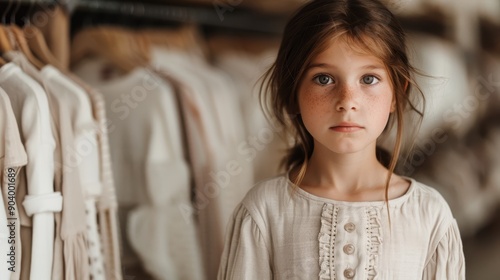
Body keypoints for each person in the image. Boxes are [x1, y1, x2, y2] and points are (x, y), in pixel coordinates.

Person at [217, 0, 466, 279]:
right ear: (293, 93)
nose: (347, 102)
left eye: (369, 79)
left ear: (397, 93)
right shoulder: (263, 212)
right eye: (324, 79)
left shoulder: (430, 215)